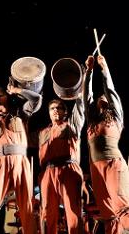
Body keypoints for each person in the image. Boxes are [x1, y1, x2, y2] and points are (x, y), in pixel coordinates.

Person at [0, 84, 42, 234]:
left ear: (6, 96)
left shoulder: (20, 113)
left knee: (26, 205)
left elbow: (37, 99)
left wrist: (17, 90)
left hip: (21, 161)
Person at [83, 54, 129, 233]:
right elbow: (87, 96)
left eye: (105, 98)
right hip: (96, 167)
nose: (102, 98)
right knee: (108, 212)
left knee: (122, 206)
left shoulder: (116, 117)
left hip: (112, 163)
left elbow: (110, 91)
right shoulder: (92, 122)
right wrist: (88, 71)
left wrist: (104, 68)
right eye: (99, 97)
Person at [37, 94, 85, 233]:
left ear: (65, 112)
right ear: (49, 112)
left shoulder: (72, 126)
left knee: (72, 212)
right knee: (46, 213)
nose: (56, 110)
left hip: (68, 169)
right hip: (47, 172)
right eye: (52, 108)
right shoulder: (42, 132)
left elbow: (80, 109)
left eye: (59, 108)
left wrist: (80, 96)